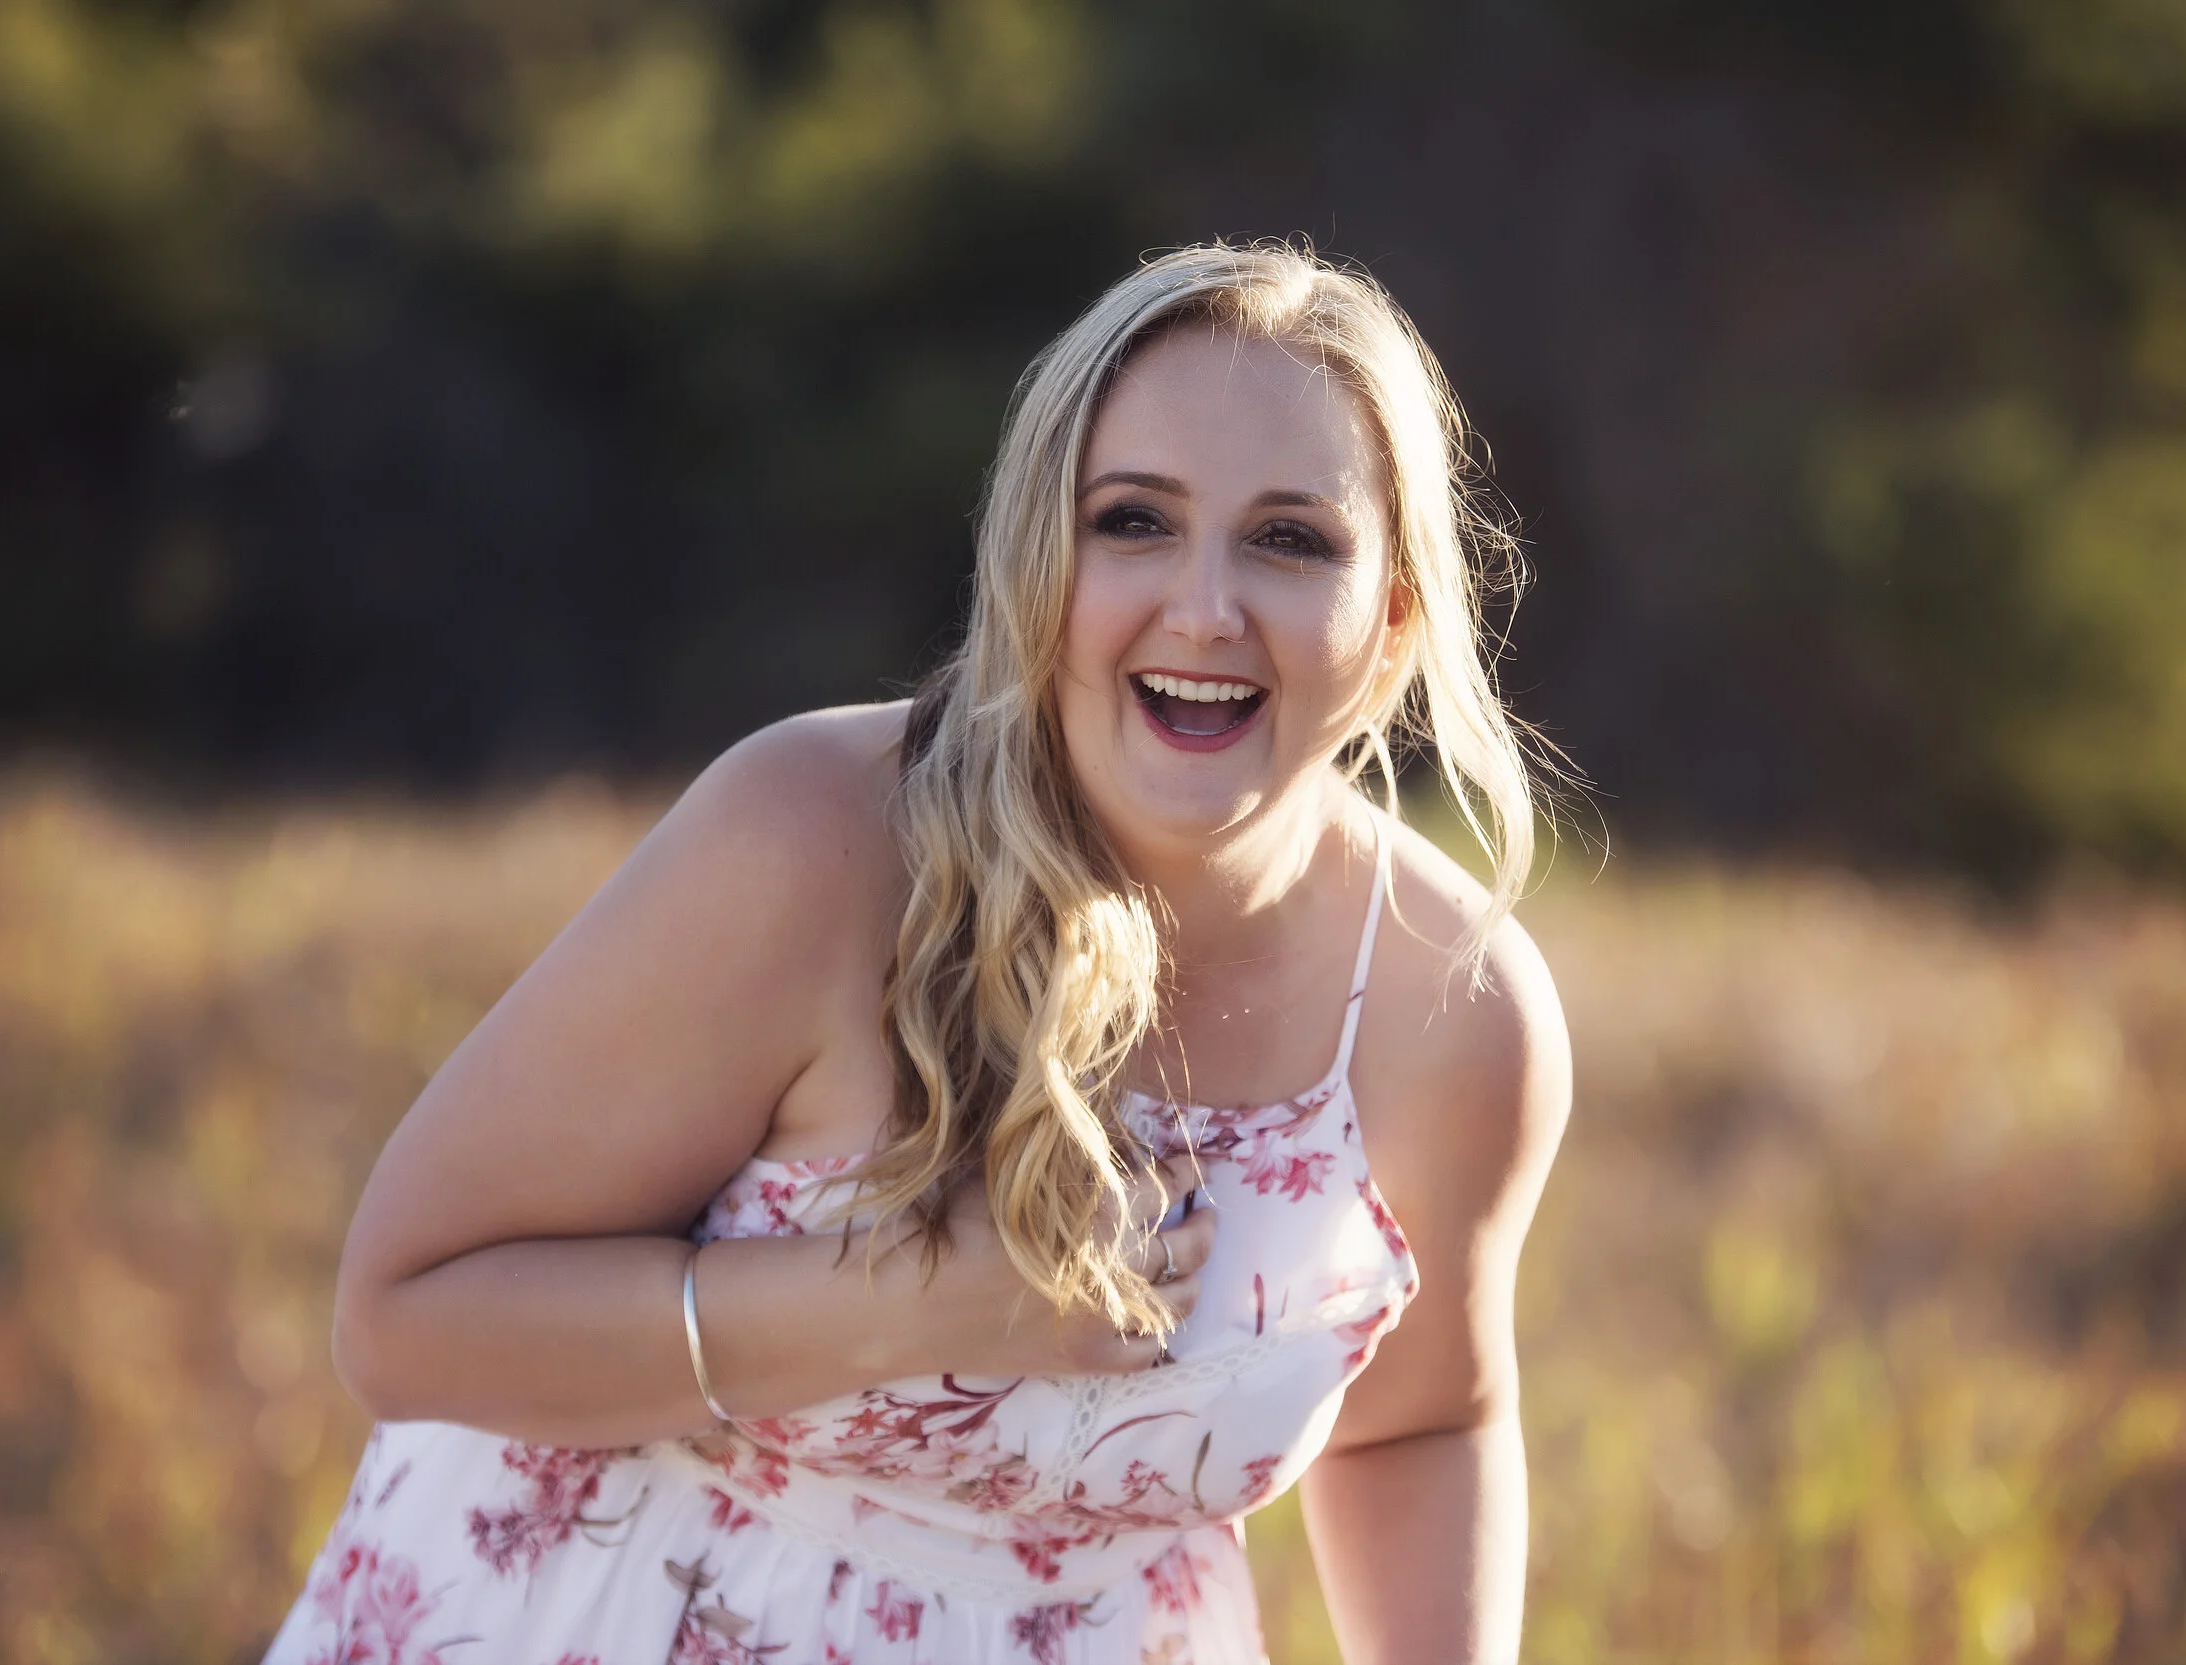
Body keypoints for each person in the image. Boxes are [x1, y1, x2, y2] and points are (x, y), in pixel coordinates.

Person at [261, 242, 1572, 1665]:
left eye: (1292, 539)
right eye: (1133, 520)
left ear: (1393, 625)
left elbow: (1422, 1420)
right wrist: (920, 1306)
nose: (1204, 608)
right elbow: (406, 1319)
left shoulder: (1454, 1008)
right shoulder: (813, 846)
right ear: (1033, 557)